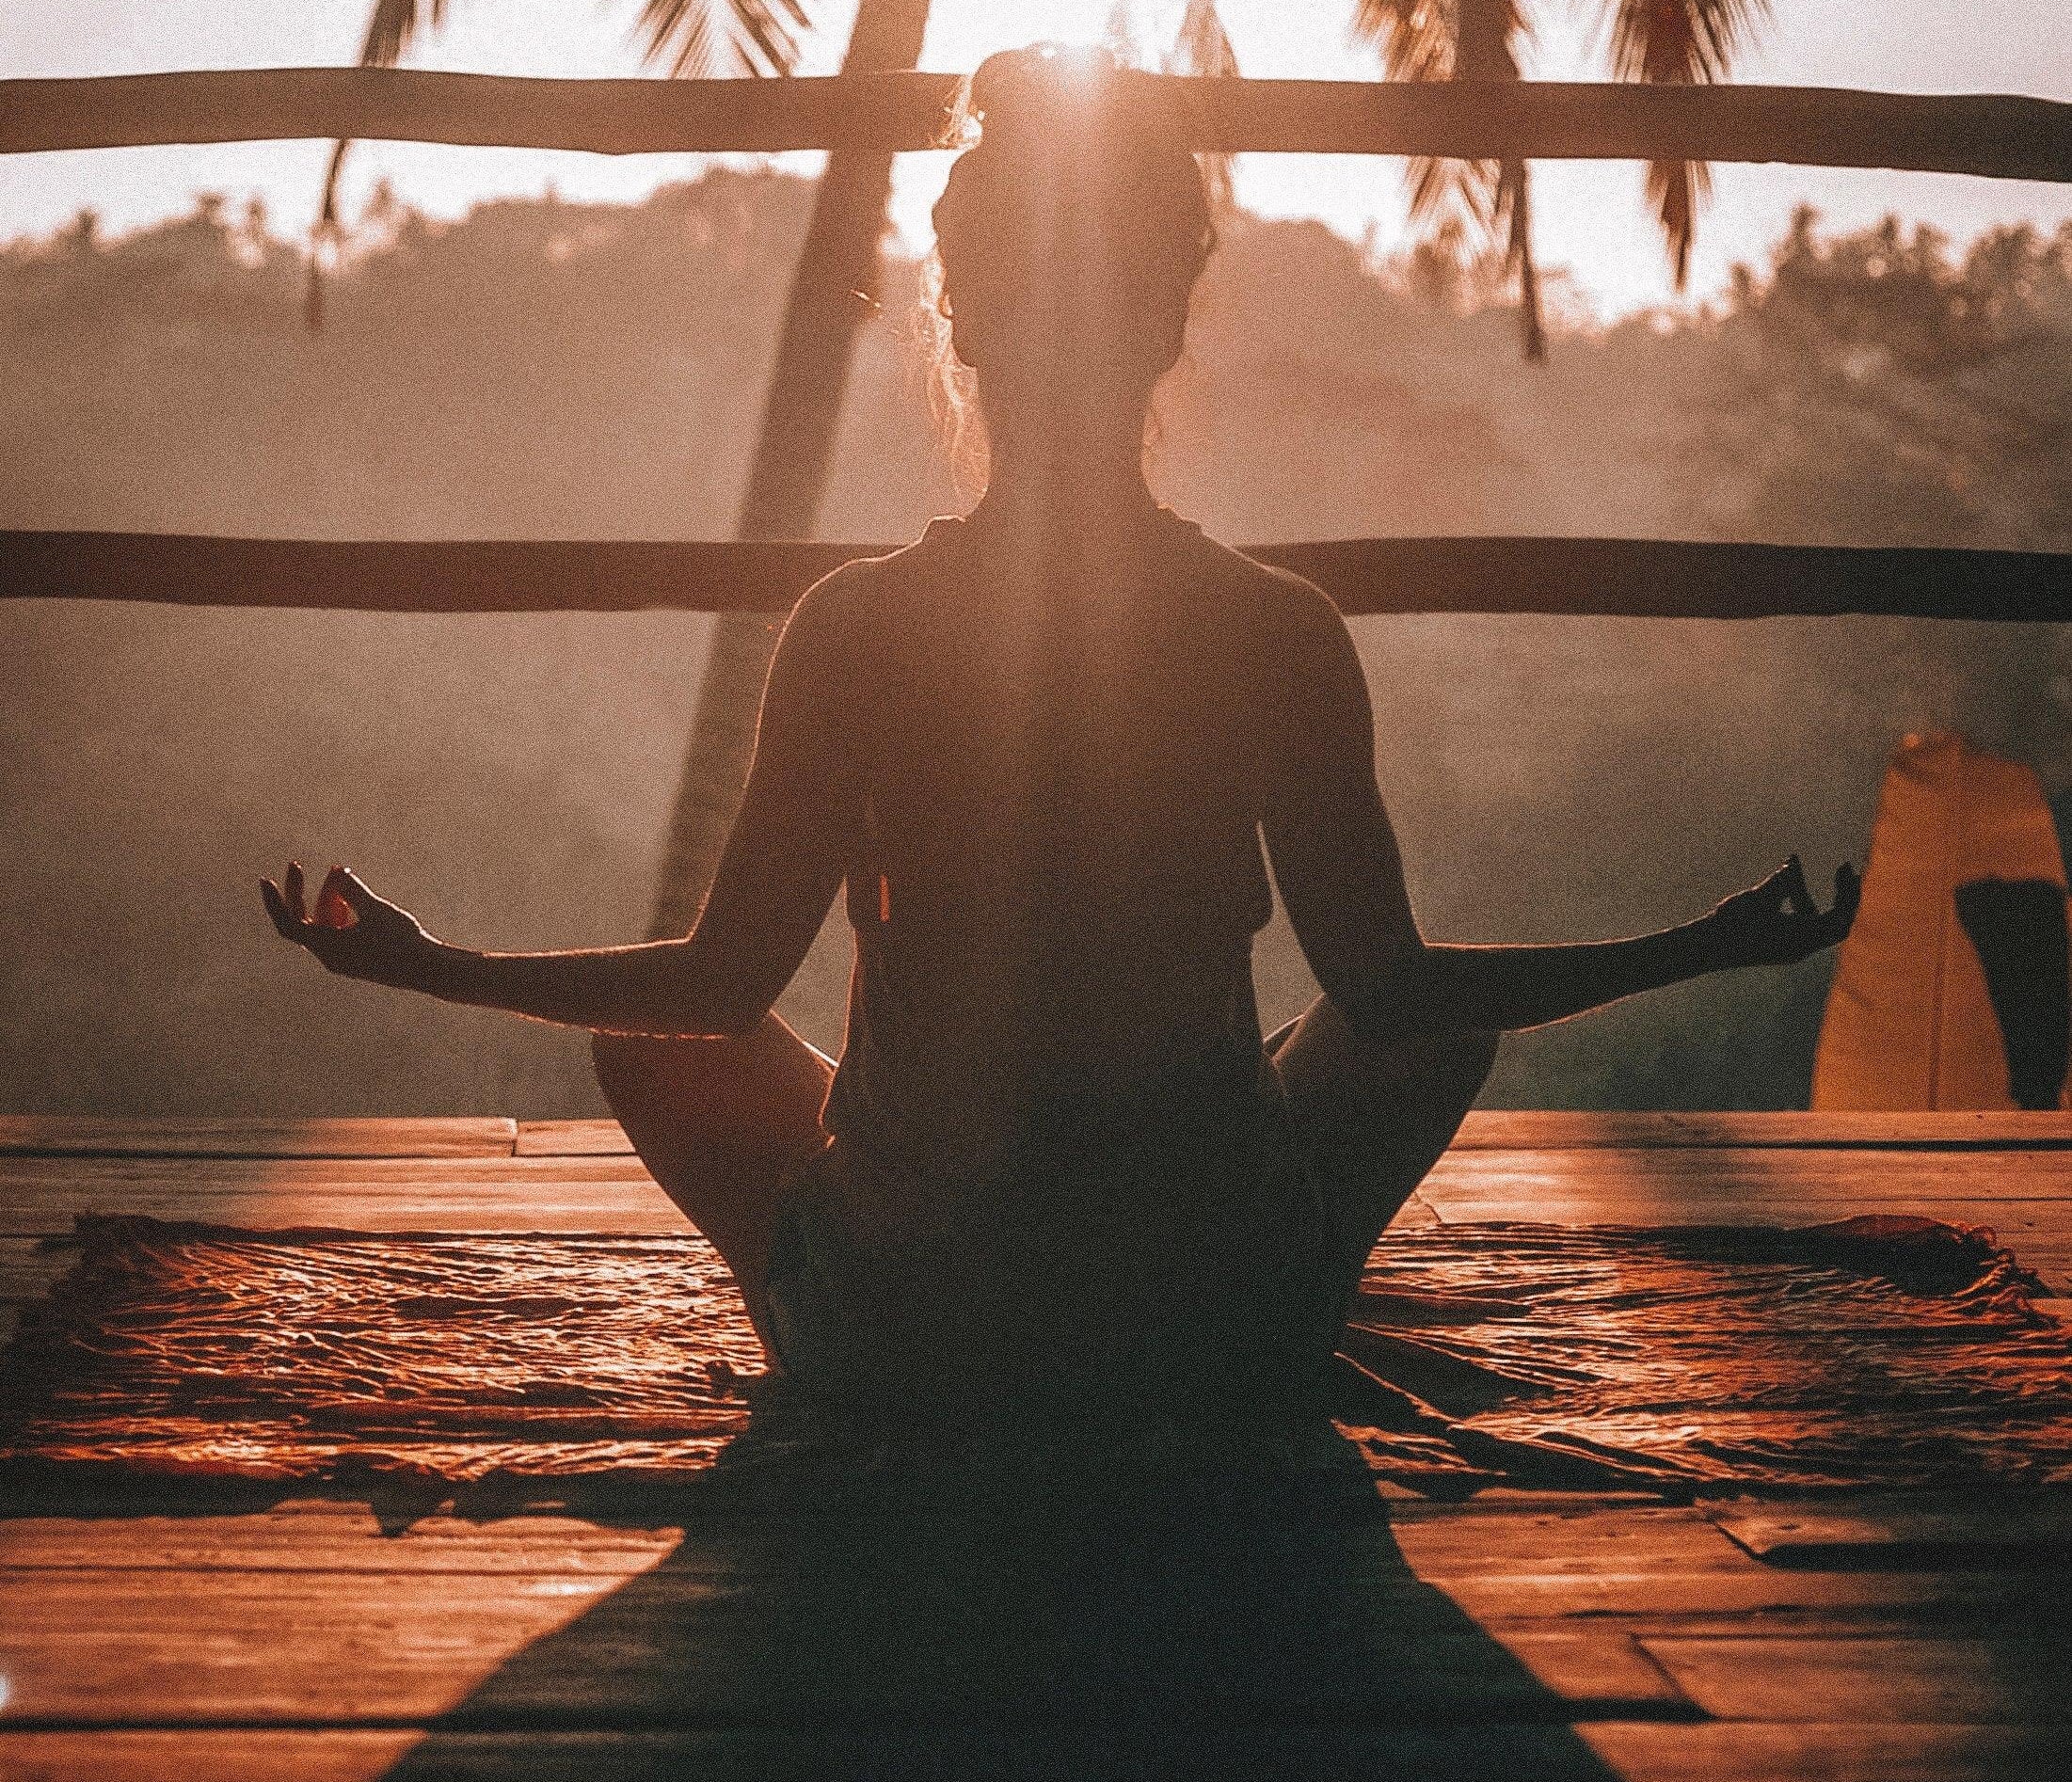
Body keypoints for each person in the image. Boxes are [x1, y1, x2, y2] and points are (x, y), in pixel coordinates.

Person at [263, 45, 1857, 1435]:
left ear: (961, 322)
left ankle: (855, 1326)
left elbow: (713, 989)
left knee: (654, 1042)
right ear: (1167, 323)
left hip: (917, 1334)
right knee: (1427, 1023)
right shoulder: (1274, 628)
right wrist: (1699, 944)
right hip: (1202, 1321)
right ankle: (1272, 1309)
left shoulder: (856, 626)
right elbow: (1394, 993)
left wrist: (438, 964)